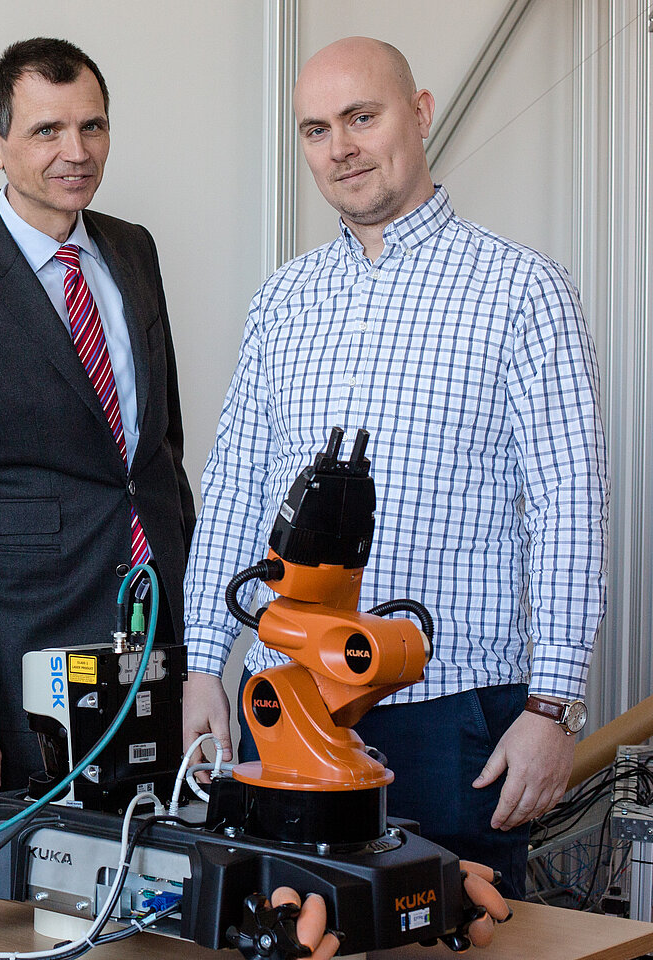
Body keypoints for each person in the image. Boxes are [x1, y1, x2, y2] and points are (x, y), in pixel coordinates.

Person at [181, 36, 607, 897]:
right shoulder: (283, 299)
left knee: (463, 936)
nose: (338, 146)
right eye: (314, 129)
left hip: (450, 715)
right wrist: (201, 661)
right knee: (288, 933)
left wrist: (551, 708)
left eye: (361, 117)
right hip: (290, 700)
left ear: (419, 113)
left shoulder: (522, 290)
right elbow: (234, 484)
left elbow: (570, 504)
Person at [0, 38, 196, 811]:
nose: (77, 152)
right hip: (32, 650)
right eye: (47, 131)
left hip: (159, 625)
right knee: (44, 896)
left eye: (92, 127)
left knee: (164, 876)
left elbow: (157, 448)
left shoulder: (132, 249)